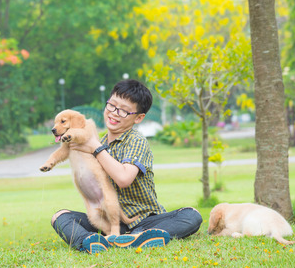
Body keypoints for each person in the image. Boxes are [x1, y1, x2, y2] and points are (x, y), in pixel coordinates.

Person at [51, 79, 203, 254]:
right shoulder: (97, 142)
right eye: (112, 106)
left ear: (138, 118)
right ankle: (91, 243)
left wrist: (95, 149)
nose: (114, 113)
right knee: (61, 216)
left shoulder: (136, 141)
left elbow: (124, 179)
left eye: (124, 111)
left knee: (191, 215)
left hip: (145, 221)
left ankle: (138, 236)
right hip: (109, 221)